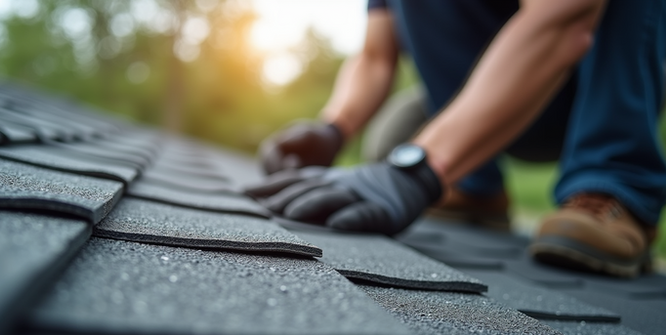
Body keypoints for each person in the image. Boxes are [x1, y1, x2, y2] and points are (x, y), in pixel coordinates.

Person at [247, 0, 666, 278]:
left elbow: (567, 19)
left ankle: (615, 183)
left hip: (591, 84)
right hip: (496, 96)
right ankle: (473, 186)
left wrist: (422, 166)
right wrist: (333, 128)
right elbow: (376, 55)